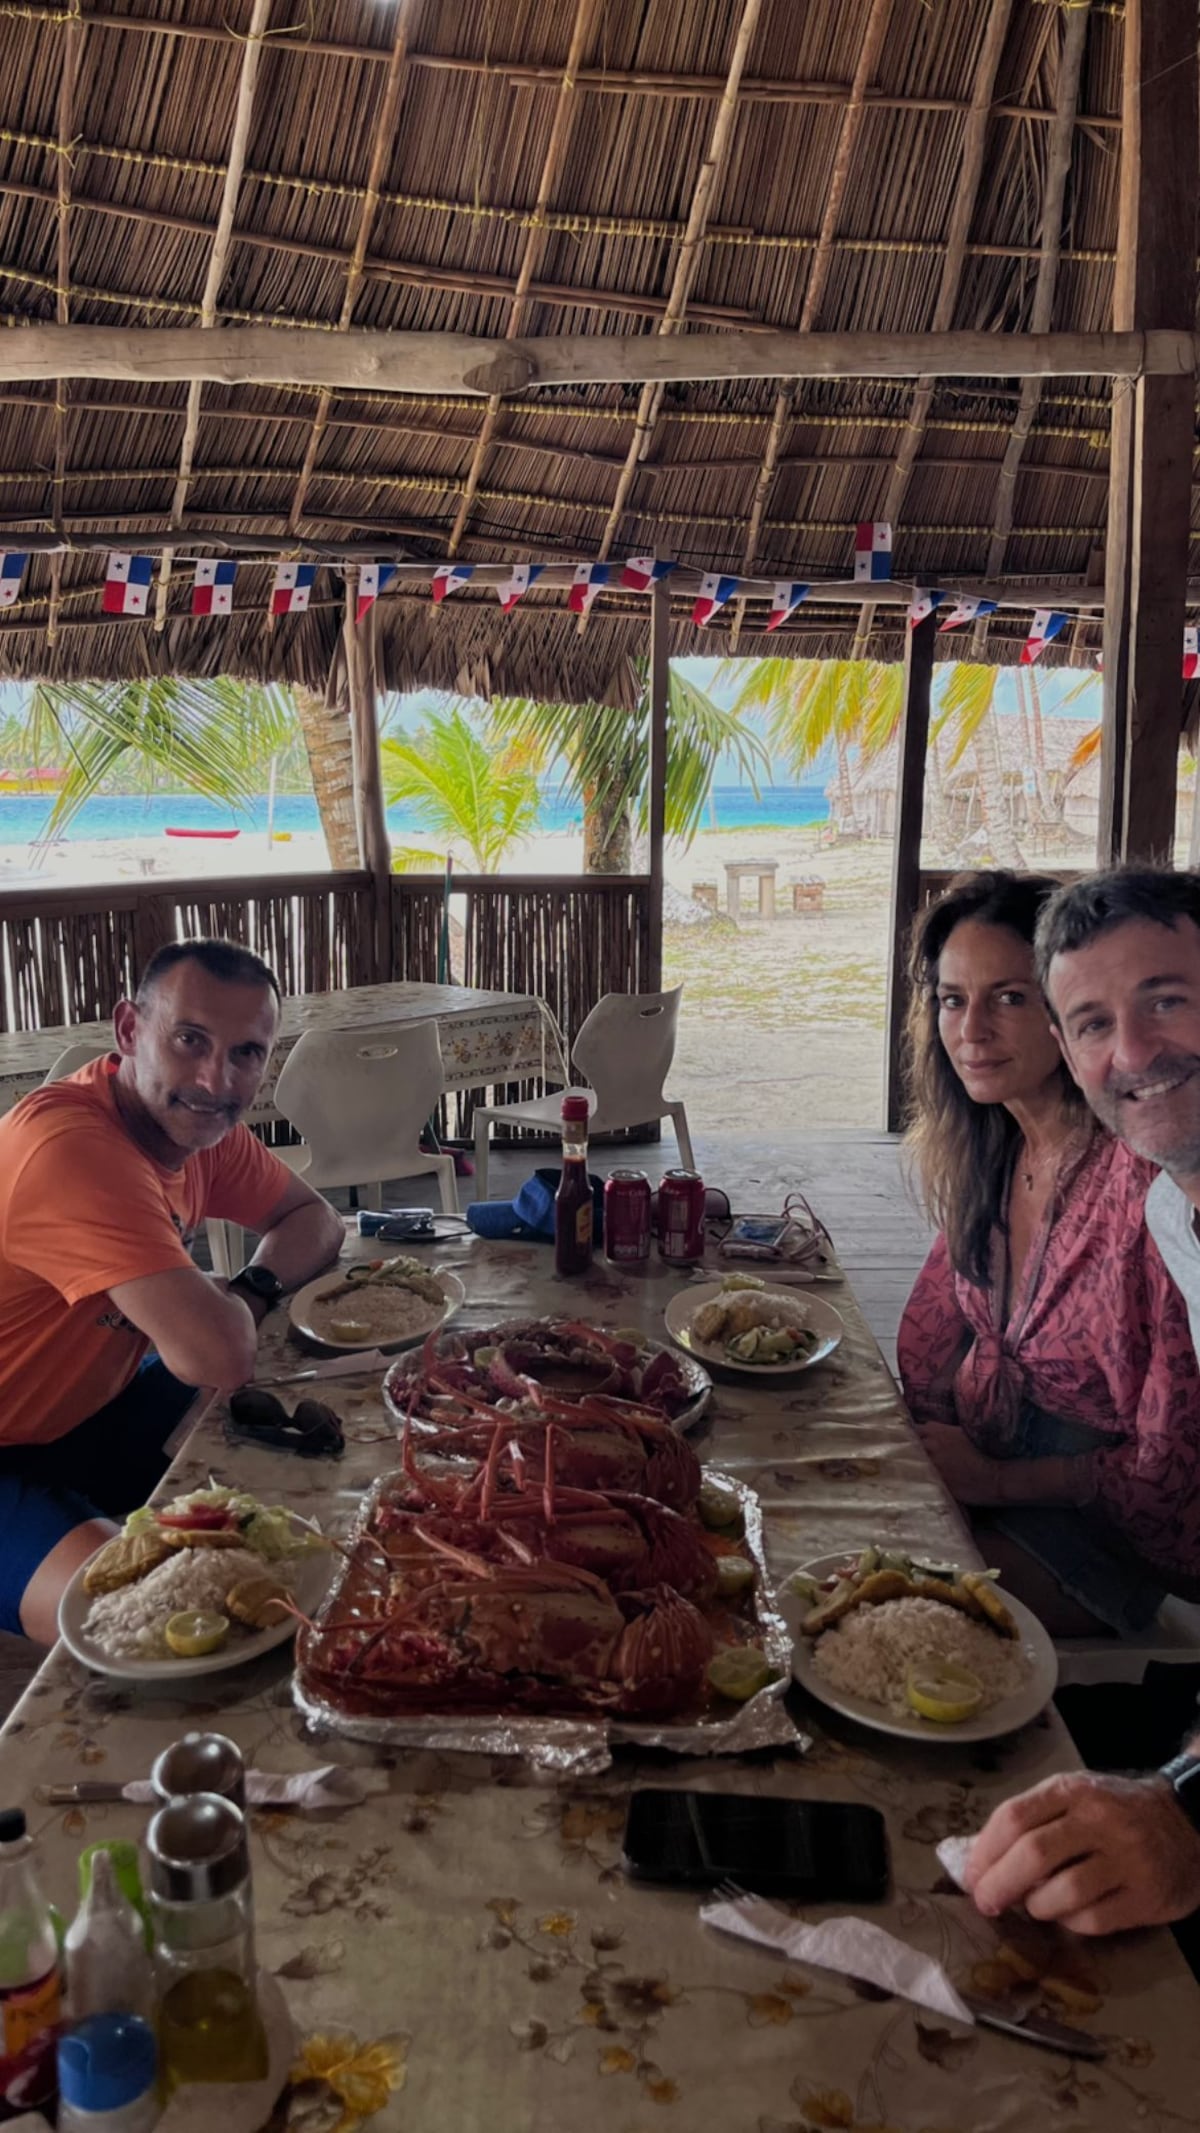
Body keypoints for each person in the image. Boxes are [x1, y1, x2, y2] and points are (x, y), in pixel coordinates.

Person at [963, 866, 1200, 1936]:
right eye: (1096, 1021)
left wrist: (1187, 1808)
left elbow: (1163, 1487)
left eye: (1170, 999)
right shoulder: (1175, 1219)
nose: (1135, 1055)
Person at [0, 937, 343, 1643]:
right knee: (149, 1626)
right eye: (190, 1039)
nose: (217, 1080)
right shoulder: (73, 1145)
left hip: (90, 1409)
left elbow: (317, 1222)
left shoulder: (197, 1129)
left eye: (246, 1052)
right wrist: (217, 1320)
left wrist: (244, 1291)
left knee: (317, 1479)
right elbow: (216, 1355)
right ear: (129, 1030)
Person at [897, 871, 1200, 1637]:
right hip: (988, 1481)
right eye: (953, 1000)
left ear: (1053, 1020)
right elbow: (930, 1334)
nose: (972, 1031)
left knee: (898, 1619)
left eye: (1008, 998)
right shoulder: (992, 1147)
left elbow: (1168, 1474)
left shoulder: (1148, 1188)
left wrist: (990, 1476)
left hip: (1105, 1541)